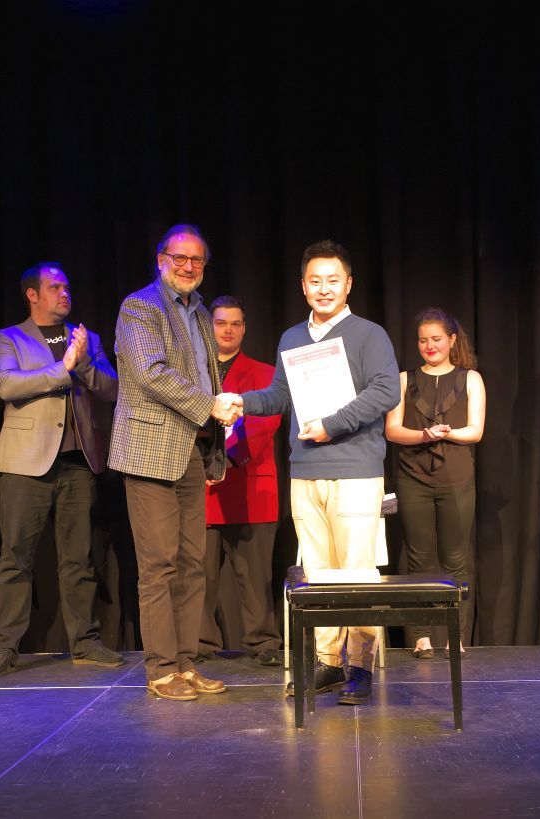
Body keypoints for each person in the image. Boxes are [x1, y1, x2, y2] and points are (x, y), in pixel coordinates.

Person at [220, 239, 399, 705]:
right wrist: (242, 402)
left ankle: (359, 666)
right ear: (303, 286)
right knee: (317, 572)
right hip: (305, 470)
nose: (324, 289)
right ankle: (328, 662)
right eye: (315, 281)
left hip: (355, 470)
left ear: (349, 284)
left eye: (333, 280)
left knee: (356, 571)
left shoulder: (369, 334)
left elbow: (386, 391)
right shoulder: (292, 338)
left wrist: (332, 424)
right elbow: (280, 396)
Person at [0, 263, 121, 680]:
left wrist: (82, 362)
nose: (64, 293)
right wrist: (62, 369)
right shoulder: (9, 337)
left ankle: (85, 641)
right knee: (16, 558)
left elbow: (112, 388)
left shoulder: (86, 338)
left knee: (79, 558)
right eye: (55, 287)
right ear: (32, 294)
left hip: (78, 463)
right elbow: (6, 384)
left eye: (67, 287)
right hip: (26, 463)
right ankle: (5, 647)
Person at [111, 224, 236, 701]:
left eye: (196, 259)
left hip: (191, 451)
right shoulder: (140, 306)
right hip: (150, 450)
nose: (188, 266)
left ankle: (186, 663)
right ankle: (162, 668)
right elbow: (152, 373)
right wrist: (210, 406)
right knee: (159, 565)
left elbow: (206, 375)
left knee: (192, 564)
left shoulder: (201, 312)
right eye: (179, 257)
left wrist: (217, 431)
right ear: (160, 258)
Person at [384, 308, 486, 659]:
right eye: (423, 340)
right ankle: (422, 636)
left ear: (452, 340)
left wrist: (447, 433)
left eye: (437, 339)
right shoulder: (404, 379)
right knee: (419, 560)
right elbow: (393, 430)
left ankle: (455, 637)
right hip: (414, 479)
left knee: (456, 559)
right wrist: (424, 434)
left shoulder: (470, 378)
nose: (430, 345)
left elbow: (476, 430)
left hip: (457, 479)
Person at [200, 296, 284, 666]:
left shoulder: (264, 373)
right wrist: (205, 466)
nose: (228, 330)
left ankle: (263, 642)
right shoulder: (195, 372)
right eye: (221, 323)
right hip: (203, 489)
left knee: (255, 576)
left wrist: (226, 460)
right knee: (201, 576)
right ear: (209, 327)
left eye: (235, 323)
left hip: (250, 485)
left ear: (245, 328)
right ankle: (200, 643)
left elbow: (265, 423)